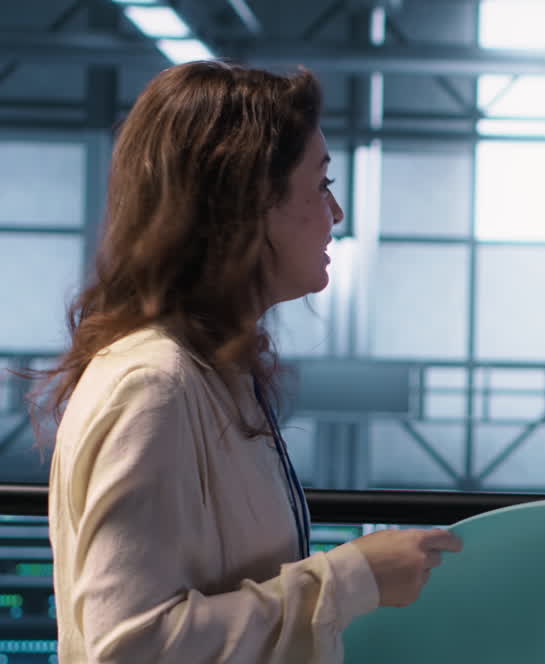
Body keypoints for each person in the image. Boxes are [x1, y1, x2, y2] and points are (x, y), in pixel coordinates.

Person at [35, 61, 462, 663]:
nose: (335, 214)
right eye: (320, 186)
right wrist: (351, 580)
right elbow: (129, 646)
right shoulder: (153, 387)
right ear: (245, 204)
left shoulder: (209, 374)